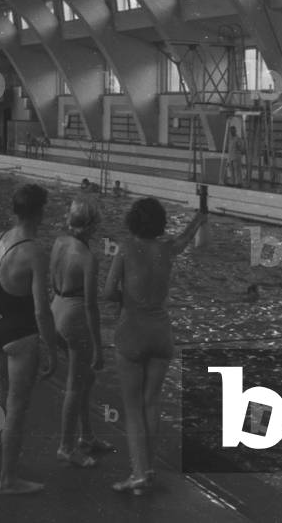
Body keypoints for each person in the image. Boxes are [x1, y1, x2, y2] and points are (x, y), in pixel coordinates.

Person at [102, 199, 206, 495]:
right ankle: (148, 470)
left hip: (132, 332)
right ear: (159, 223)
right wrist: (199, 218)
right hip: (162, 334)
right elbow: (185, 239)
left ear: (133, 220)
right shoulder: (166, 249)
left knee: (133, 407)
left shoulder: (124, 250)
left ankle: (137, 474)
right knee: (152, 402)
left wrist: (126, 300)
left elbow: (109, 291)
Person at [0, 184, 57, 495]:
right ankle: (9, 480)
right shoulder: (34, 251)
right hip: (20, 334)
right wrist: (52, 349)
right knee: (16, 406)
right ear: (40, 212)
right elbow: (41, 311)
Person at [50, 199, 109, 468]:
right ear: (92, 226)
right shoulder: (88, 258)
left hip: (55, 310)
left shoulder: (59, 243)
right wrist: (98, 346)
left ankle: (87, 435)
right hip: (75, 318)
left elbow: (52, 280)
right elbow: (91, 306)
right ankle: (66, 446)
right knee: (75, 385)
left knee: (87, 378)